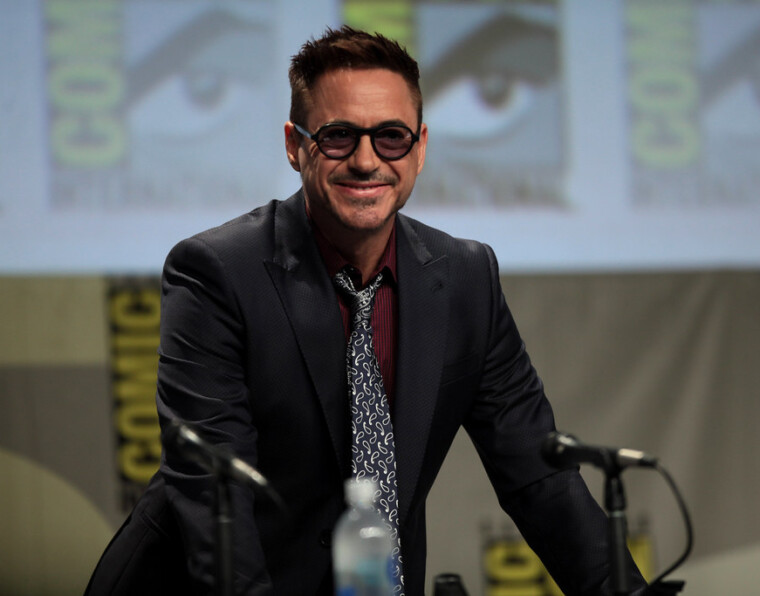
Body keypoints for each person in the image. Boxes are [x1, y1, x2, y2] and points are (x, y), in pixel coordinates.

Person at [86, 26, 647, 596]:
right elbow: (215, 499)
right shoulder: (216, 273)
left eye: (391, 137)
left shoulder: (466, 279)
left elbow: (540, 479)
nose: (365, 160)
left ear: (420, 148)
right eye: (338, 137)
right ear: (295, 145)